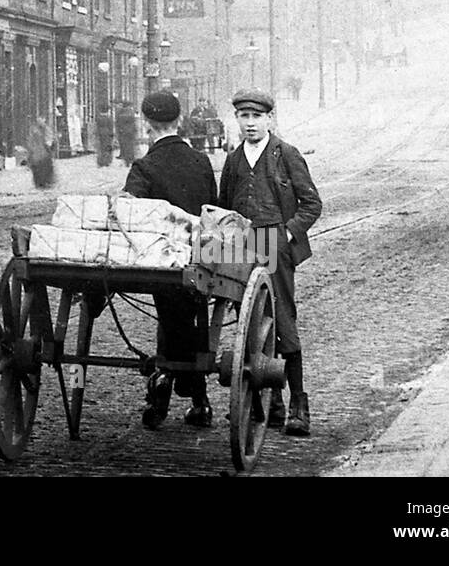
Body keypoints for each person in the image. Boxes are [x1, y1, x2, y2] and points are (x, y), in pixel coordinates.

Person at [218, 89, 322, 436]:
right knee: (250, 324)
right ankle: (272, 402)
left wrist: (287, 234)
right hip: (242, 248)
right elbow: (223, 209)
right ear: (237, 120)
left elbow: (312, 203)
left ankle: (298, 404)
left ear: (269, 119)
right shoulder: (233, 161)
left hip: (274, 245)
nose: (249, 124)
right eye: (243, 117)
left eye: (256, 117)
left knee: (283, 321)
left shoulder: (286, 154)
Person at [122, 91, 220, 429]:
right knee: (191, 314)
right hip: (200, 261)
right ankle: (196, 395)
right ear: (179, 122)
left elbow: (130, 215)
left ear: (148, 125)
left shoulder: (144, 167)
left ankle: (166, 381)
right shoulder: (201, 162)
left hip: (160, 260)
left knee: (169, 311)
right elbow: (213, 209)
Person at [27, 117, 56, 188]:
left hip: (38, 157)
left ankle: (42, 183)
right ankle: (45, 183)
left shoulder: (37, 130)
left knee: (39, 172)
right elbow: (50, 142)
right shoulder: (44, 129)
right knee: (43, 171)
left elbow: (30, 144)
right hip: (42, 156)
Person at [114, 101, 139, 165]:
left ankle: (124, 156)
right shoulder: (131, 113)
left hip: (123, 131)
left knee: (123, 144)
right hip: (130, 131)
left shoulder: (121, 113)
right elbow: (134, 123)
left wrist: (119, 130)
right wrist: (135, 130)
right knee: (130, 144)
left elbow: (118, 123)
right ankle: (131, 157)